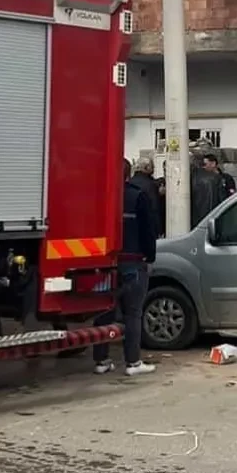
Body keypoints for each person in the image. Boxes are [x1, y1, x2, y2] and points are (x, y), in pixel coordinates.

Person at [94, 159, 158, 376]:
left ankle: (101, 360)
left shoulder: (99, 196)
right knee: (133, 313)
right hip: (133, 263)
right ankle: (133, 362)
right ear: (128, 174)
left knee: (104, 311)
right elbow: (149, 232)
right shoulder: (137, 196)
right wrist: (150, 257)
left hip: (104, 264)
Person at [189, 152, 226, 229]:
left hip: (195, 219)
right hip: (211, 217)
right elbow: (222, 200)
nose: (204, 167)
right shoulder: (217, 178)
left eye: (205, 164)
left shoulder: (192, 176)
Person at [128, 157, 163, 238]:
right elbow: (154, 208)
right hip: (147, 226)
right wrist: (159, 229)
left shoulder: (131, 182)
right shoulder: (150, 185)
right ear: (146, 167)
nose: (154, 168)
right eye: (152, 166)